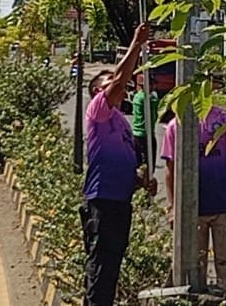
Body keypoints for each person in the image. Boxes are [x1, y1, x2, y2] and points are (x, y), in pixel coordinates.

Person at [81, 23, 151, 306]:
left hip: (120, 200)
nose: (118, 86)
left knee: (111, 267)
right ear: (97, 91)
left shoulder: (121, 122)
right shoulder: (98, 111)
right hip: (104, 200)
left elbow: (123, 164)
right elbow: (121, 81)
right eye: (108, 83)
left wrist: (141, 181)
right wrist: (136, 44)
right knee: (101, 266)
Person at [161, 93, 226, 289]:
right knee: (194, 268)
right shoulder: (176, 124)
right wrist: (173, 208)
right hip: (190, 209)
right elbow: (170, 169)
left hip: (223, 206)